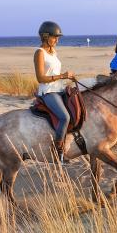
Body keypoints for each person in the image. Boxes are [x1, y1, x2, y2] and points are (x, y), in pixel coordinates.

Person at [34, 21, 75, 162]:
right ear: (45, 37)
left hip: (59, 89)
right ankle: (57, 152)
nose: (57, 40)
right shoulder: (39, 53)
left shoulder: (53, 52)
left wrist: (67, 78)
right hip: (48, 91)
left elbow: (54, 72)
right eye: (54, 37)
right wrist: (62, 76)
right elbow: (40, 78)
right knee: (65, 117)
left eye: (58, 37)